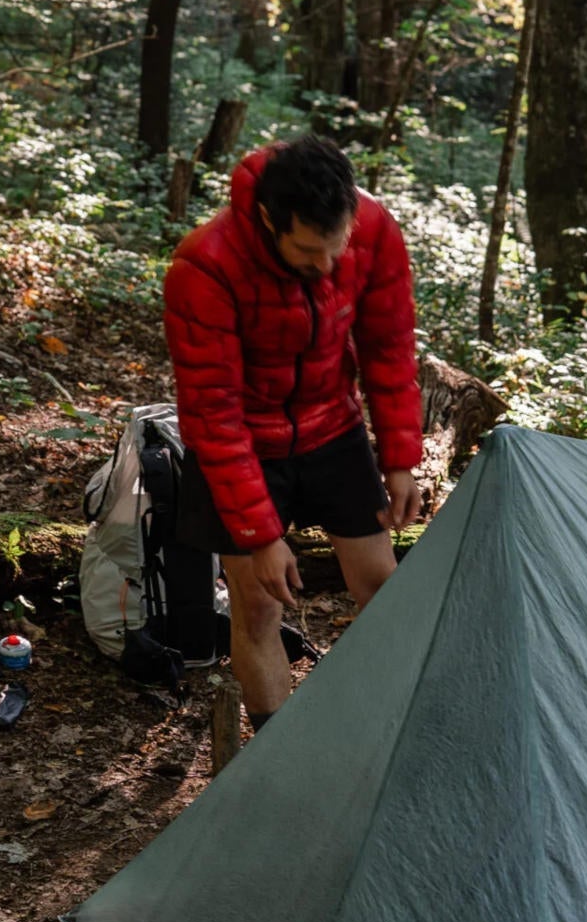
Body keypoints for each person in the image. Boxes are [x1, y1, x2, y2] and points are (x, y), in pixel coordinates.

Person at [162, 136, 424, 729]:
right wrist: (260, 535)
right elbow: (214, 414)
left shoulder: (375, 227)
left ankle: (392, 732)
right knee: (256, 609)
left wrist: (401, 458)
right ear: (266, 220)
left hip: (333, 425)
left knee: (385, 587)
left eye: (338, 248)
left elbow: (387, 347)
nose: (328, 267)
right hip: (242, 447)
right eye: (309, 252)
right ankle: (278, 762)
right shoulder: (204, 266)